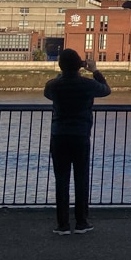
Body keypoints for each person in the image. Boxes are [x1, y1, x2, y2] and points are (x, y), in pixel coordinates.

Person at [43, 48, 111, 235]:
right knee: (81, 179)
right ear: (79, 65)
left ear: (61, 66)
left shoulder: (54, 85)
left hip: (59, 135)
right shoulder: (87, 85)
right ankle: (82, 222)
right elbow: (106, 90)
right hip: (81, 135)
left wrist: (63, 74)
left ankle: (62, 224)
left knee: (61, 180)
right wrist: (95, 70)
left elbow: (47, 92)